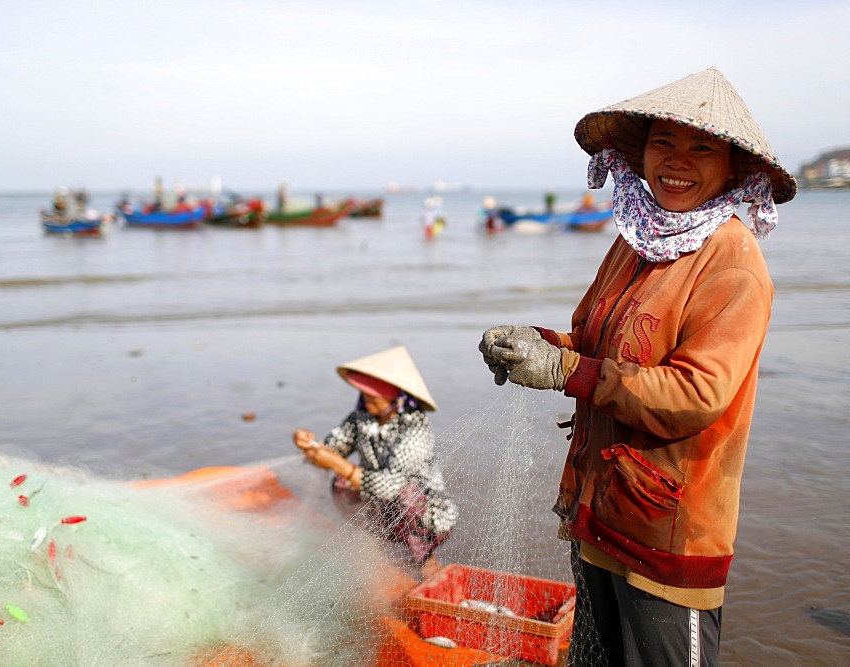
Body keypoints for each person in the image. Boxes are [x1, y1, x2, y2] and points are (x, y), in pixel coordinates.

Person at [478, 67, 796, 666]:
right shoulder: (636, 238)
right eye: (662, 143)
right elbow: (599, 342)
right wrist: (539, 345)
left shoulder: (733, 261)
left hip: (667, 530)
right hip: (599, 510)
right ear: (641, 151)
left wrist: (566, 370)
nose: (677, 161)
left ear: (733, 167)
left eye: (701, 147)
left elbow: (696, 395)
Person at [293, 346, 458, 576]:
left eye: (373, 396)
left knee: (405, 494)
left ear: (395, 395)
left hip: (424, 513)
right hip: (383, 505)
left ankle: (426, 559)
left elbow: (393, 485)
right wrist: (308, 446)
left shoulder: (415, 425)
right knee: (342, 484)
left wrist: (338, 464)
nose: (366, 400)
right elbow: (331, 449)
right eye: (364, 394)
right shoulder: (361, 418)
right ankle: (377, 549)